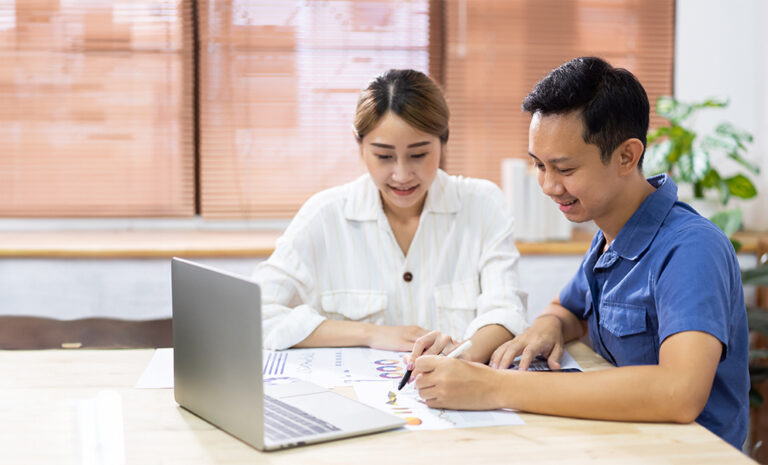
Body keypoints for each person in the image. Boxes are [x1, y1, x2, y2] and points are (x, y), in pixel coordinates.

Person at [409, 57, 749, 449]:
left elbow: (679, 391)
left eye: (564, 169)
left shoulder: (691, 249)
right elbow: (566, 307)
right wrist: (546, 327)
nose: (549, 185)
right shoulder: (610, 233)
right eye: (539, 165)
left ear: (626, 156)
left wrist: (496, 386)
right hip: (622, 442)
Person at [254, 69, 527, 363]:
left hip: (456, 394)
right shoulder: (324, 216)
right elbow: (255, 312)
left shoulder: (483, 205)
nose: (401, 175)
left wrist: (460, 358)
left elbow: (505, 310)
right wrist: (370, 333)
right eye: (384, 156)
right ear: (360, 147)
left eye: (419, 154)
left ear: (443, 142)